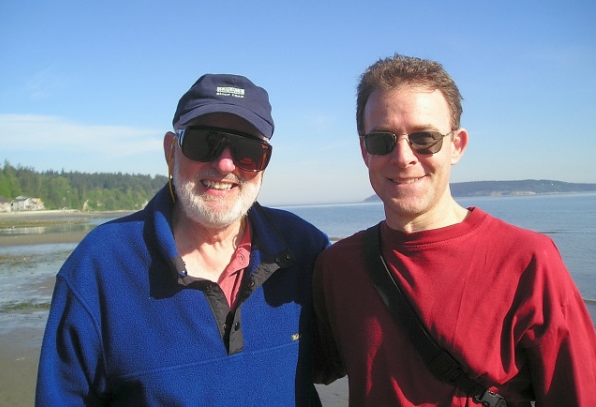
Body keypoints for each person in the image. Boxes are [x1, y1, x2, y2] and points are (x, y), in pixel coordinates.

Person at [312, 55, 596, 406]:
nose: (403, 157)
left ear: (456, 145)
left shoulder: (528, 261)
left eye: (424, 138)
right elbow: (297, 366)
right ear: (364, 151)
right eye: (383, 140)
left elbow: (579, 394)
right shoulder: (338, 266)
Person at [36, 73, 330, 406]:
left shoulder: (306, 250)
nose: (224, 164)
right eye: (204, 142)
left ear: (264, 164)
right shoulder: (99, 266)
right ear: (171, 152)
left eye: (248, 150)